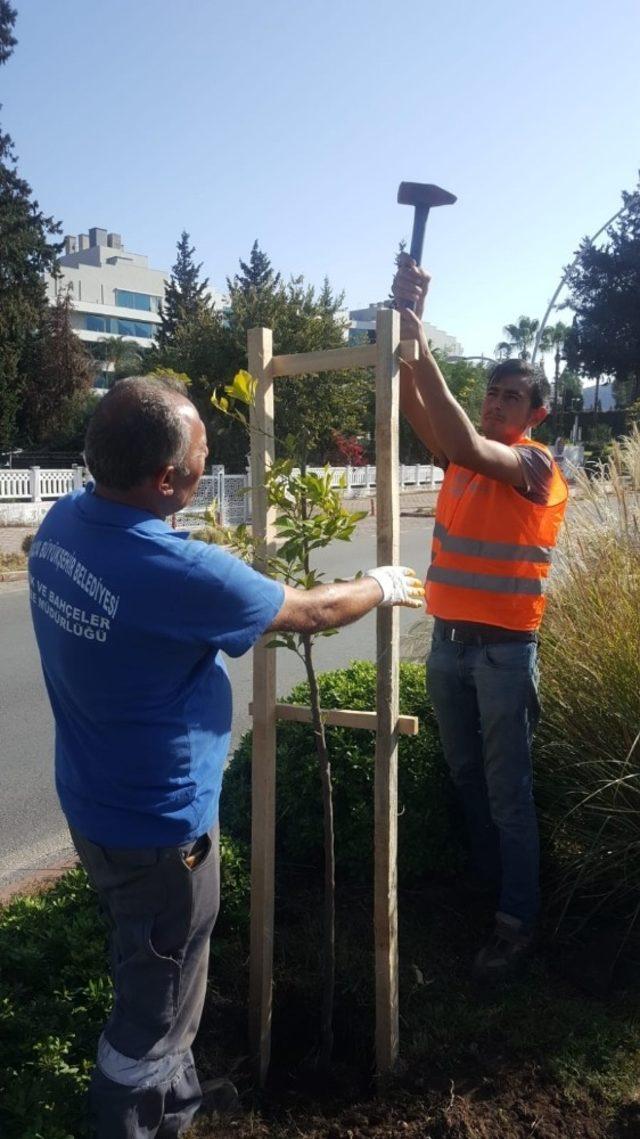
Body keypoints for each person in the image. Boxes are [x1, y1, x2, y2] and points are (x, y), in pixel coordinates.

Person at [28, 376, 424, 1139]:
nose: (211, 467)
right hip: (158, 832)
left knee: (156, 972)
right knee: (152, 1010)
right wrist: (378, 582)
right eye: (204, 457)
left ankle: (174, 1091)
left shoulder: (66, 521)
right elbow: (308, 612)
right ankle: (138, 1114)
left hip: (95, 802)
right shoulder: (178, 572)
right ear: (166, 480)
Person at [392, 257, 568, 984]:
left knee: (507, 792)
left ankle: (515, 920)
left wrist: (421, 335)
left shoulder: (535, 467)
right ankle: (488, 891)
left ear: (536, 412)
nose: (495, 403)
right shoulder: (465, 461)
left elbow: (463, 439)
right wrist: (403, 338)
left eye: (511, 397)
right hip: (448, 648)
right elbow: (417, 410)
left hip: (501, 655)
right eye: (490, 393)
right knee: (467, 778)